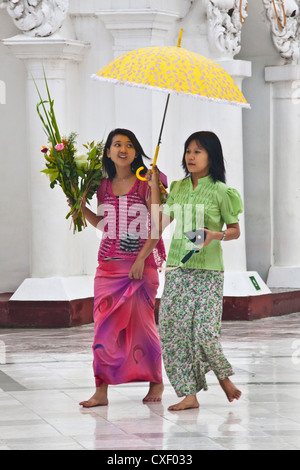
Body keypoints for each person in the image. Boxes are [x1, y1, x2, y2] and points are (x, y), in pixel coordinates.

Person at [77, 128, 166, 408]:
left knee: (144, 327)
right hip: (108, 267)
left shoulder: (147, 183)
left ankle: (156, 381)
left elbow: (156, 225)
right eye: (117, 145)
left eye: (129, 145)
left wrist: (140, 259)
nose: (123, 149)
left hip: (141, 267)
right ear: (108, 152)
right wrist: (80, 208)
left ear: (136, 152)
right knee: (103, 329)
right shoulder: (102, 186)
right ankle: (100, 390)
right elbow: (105, 225)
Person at [159, 131, 243, 411]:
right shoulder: (179, 188)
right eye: (188, 151)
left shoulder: (221, 191)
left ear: (212, 156)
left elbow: (235, 231)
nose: (191, 156)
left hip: (208, 271)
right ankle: (188, 394)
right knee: (173, 333)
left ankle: (223, 378)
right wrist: (151, 189)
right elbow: (161, 221)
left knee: (204, 334)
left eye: (198, 151)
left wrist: (213, 235)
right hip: (177, 267)